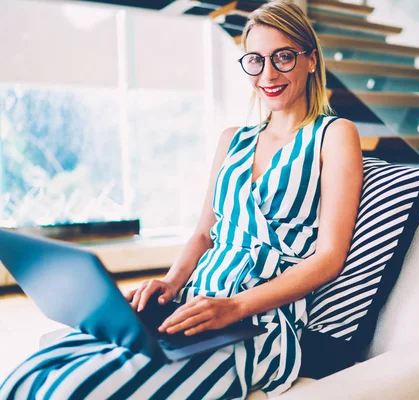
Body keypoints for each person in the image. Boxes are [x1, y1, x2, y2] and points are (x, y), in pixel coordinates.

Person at [0, 1, 363, 398]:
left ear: (311, 60)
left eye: (284, 57)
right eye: (255, 60)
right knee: (36, 370)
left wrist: (236, 307)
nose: (268, 74)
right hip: (192, 304)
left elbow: (329, 256)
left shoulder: (335, 134)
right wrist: (170, 284)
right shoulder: (233, 139)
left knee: (79, 389)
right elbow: (204, 236)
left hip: (260, 321)